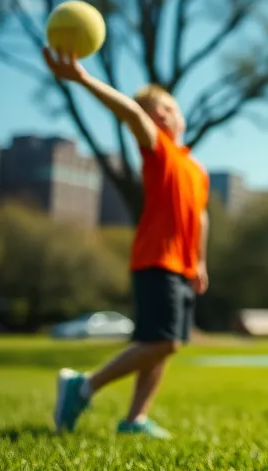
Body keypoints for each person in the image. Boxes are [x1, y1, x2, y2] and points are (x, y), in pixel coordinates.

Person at [44, 47, 209, 439]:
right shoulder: (159, 153)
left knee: (164, 345)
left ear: (180, 115)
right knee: (163, 341)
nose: (160, 115)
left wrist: (200, 262)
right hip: (156, 259)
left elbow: (201, 216)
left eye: (167, 108)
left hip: (183, 266)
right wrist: (83, 80)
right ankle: (83, 386)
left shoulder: (195, 169)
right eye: (153, 112)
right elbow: (132, 114)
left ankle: (135, 419)